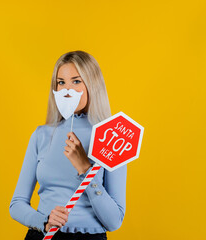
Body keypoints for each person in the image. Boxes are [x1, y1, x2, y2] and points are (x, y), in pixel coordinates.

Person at [9, 50, 127, 240]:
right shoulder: (41, 135)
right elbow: (17, 204)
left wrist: (84, 168)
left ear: (92, 85)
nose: (67, 90)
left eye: (76, 81)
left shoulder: (112, 136)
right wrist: (45, 221)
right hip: (44, 236)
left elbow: (114, 221)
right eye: (61, 82)